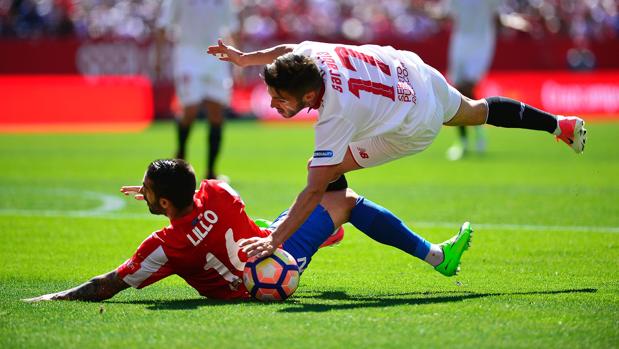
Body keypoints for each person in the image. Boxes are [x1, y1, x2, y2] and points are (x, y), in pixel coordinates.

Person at [206, 40, 586, 259]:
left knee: (325, 173)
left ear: (309, 95)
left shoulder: (336, 114)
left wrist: (274, 239)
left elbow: (314, 188)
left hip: (412, 125)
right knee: (477, 111)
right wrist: (246, 58)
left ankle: (420, 251)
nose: (273, 105)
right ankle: (559, 124)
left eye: (279, 99)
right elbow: (288, 49)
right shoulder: (310, 58)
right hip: (414, 73)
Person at [22, 159, 472, 303]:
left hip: (252, 285)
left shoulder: (165, 246)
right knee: (345, 199)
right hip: (273, 260)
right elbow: (211, 199)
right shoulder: (218, 193)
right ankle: (436, 256)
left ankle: (316, 233)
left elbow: (110, 284)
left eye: (150, 190)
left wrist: (53, 298)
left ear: (161, 204)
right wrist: (167, 196)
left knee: (317, 209)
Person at [430, 0, 531, 160]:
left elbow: (497, 17)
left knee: (466, 88)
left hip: (481, 43)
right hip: (460, 43)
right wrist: (430, 12)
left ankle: (471, 135)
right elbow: (445, 15)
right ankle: (469, 136)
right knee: (458, 90)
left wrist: (513, 23)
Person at [155, 0, 240, 179]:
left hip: (216, 58)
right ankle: (181, 156)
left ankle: (211, 171)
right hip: (188, 57)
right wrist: (158, 57)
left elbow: (232, 28)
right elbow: (163, 26)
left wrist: (238, 62)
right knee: (190, 110)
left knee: (216, 113)